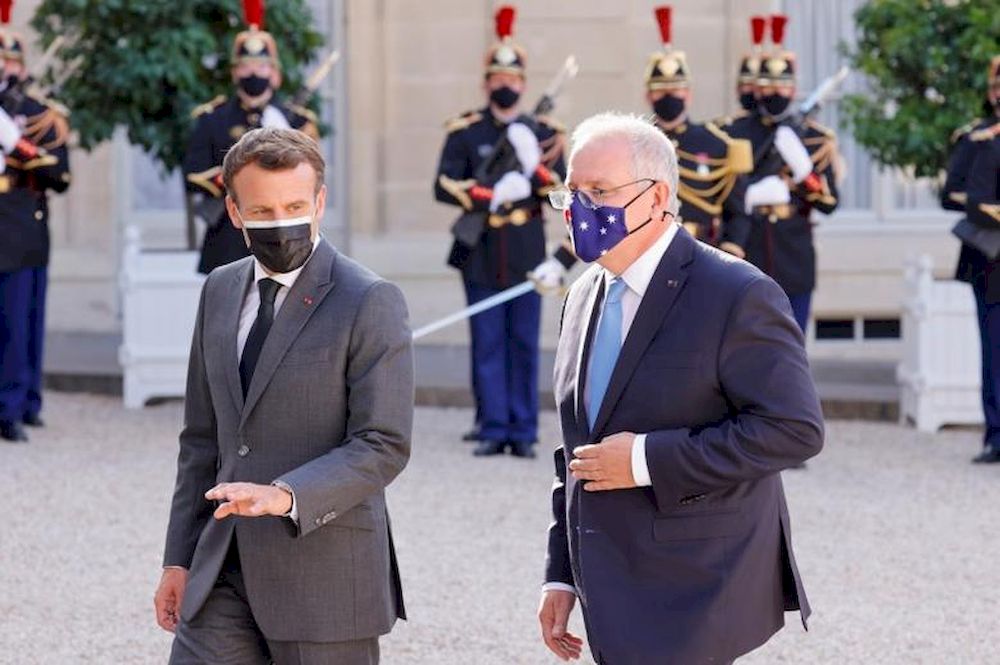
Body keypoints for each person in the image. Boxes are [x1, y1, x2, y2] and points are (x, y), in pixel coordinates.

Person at [536, 112, 822, 664]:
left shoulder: (735, 293)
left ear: (657, 195)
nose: (579, 209)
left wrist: (646, 460)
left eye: (598, 191)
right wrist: (562, 574)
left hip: (699, 582)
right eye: (571, 192)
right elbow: (578, 446)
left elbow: (793, 429)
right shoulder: (582, 296)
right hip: (607, 582)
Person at [154, 127, 412, 664]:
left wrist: (285, 494)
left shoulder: (370, 299)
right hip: (220, 572)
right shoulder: (219, 289)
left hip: (324, 576)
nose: (281, 224)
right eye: (263, 211)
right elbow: (202, 439)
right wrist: (178, 559)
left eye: (295, 205)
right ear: (234, 211)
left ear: (320, 202)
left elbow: (383, 443)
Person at [433, 5, 573, 458]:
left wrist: (532, 168)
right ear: (486, 82)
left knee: (524, 340)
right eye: (498, 78)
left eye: (513, 80)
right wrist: (487, 193)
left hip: (527, 246)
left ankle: (524, 428)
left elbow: (564, 193)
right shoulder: (466, 131)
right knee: (489, 340)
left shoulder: (544, 133)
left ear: (524, 84)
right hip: (481, 245)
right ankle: (494, 426)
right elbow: (443, 184)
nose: (506, 86)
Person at [719, 14, 841, 333]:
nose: (775, 93)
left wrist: (804, 173)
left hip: (794, 253)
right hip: (748, 248)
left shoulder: (814, 138)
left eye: (782, 87)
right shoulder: (733, 132)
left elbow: (829, 203)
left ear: (793, 89)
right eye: (768, 86)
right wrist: (753, 192)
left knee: (792, 345)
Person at [183, 0, 319, 275]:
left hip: (284, 234)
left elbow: (311, 179)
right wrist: (244, 179)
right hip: (229, 236)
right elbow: (193, 175)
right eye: (245, 66)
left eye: (262, 66)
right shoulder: (212, 118)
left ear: (275, 74)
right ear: (234, 72)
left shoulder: (297, 120)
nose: (254, 73)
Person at [0, 21, 71, 443]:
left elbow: (60, 175)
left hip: (21, 227)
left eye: (9, 60)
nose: (4, 67)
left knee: (19, 321)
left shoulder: (39, 115)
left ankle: (17, 404)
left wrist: (19, 147)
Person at [644, 5, 751, 245]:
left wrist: (729, 258)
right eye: (660, 91)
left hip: (702, 252)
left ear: (689, 95)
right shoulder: (635, 143)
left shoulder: (716, 143)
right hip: (648, 253)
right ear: (648, 96)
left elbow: (737, 214)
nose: (669, 96)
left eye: (676, 90)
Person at [943, 55, 1000, 464]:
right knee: (994, 348)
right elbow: (953, 193)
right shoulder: (978, 139)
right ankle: (995, 433)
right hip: (989, 256)